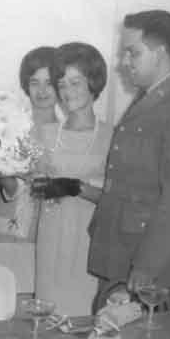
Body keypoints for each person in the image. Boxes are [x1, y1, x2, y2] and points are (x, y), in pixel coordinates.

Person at [87, 10, 170, 312]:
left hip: (148, 266)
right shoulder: (152, 98)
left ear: (159, 53)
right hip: (122, 251)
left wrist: (147, 265)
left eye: (133, 52)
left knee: (139, 338)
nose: (124, 62)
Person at [30, 42, 113, 316]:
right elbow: (33, 186)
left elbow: (117, 200)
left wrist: (77, 188)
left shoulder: (112, 136)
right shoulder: (45, 134)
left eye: (75, 83)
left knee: (84, 319)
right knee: (49, 318)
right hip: (51, 241)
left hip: (89, 243)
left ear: (93, 83)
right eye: (62, 84)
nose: (67, 92)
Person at [0, 47, 60, 291]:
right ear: (26, 85)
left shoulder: (66, 134)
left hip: (44, 232)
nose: (42, 91)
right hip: (5, 228)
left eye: (49, 83)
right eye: (34, 82)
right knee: (2, 293)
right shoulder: (12, 128)